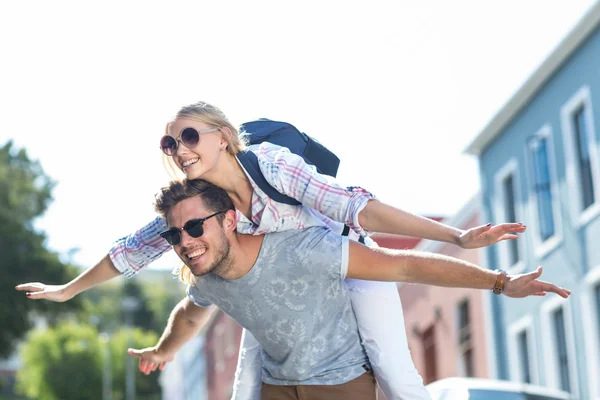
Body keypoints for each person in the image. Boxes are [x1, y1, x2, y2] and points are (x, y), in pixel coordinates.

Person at [16, 101, 527, 400]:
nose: (181, 150)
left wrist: (457, 238)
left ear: (223, 137)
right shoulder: (199, 209)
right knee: (246, 386)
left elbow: (357, 208)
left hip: (345, 262)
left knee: (394, 367)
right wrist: (68, 289)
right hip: (278, 287)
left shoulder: (271, 166)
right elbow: (131, 252)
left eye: (190, 135)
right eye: (170, 144)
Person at [126, 178, 569, 400]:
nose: (184, 241)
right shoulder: (209, 277)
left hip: (339, 385)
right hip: (277, 386)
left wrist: (500, 282)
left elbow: (406, 266)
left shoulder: (304, 248)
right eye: (173, 236)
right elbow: (189, 312)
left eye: (193, 227)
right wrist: (163, 350)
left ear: (227, 219)